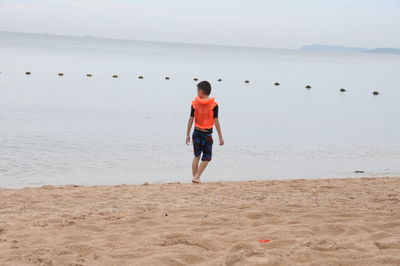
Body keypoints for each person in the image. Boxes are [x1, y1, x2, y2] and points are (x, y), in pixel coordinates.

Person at [185, 81, 224, 183]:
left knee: (196, 156)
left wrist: (187, 134)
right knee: (207, 157)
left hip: (196, 133)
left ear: (201, 91)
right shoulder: (214, 105)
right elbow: (216, 121)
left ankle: (195, 177)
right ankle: (196, 177)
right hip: (207, 134)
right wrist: (220, 136)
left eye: (197, 90)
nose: (197, 92)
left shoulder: (194, 104)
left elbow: (190, 119)